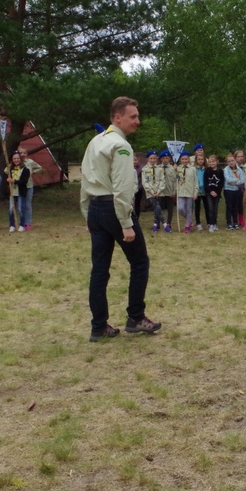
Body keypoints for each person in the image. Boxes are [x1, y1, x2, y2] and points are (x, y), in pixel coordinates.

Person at [80, 96, 161, 342]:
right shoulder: (121, 146)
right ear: (118, 117)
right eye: (133, 116)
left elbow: (85, 180)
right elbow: (124, 188)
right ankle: (135, 317)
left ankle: (98, 326)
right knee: (139, 263)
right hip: (114, 209)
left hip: (96, 208)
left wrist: (87, 214)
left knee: (99, 271)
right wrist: (126, 223)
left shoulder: (96, 142)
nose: (138, 121)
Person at [17, 147, 44, 230]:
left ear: (27, 154)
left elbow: (39, 168)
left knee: (28, 205)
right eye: (20, 153)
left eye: (24, 153)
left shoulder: (30, 162)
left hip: (29, 186)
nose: (22, 154)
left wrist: (33, 172)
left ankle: (28, 223)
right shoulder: (16, 162)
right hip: (19, 186)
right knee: (20, 206)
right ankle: (22, 221)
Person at [6, 151, 30, 232]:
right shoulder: (10, 170)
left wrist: (14, 181)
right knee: (11, 209)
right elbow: (6, 175)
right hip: (12, 192)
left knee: (20, 208)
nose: (16, 160)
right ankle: (12, 225)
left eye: (17, 158)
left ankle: (22, 225)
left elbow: (24, 181)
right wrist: (8, 180)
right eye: (14, 158)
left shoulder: (25, 170)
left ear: (20, 159)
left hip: (20, 192)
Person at [142, 150, 165, 232]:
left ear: (156, 159)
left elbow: (162, 180)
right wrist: (151, 191)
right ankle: (165, 224)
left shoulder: (160, 169)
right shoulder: (145, 169)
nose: (152, 160)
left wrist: (159, 191)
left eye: (154, 158)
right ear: (148, 159)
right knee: (157, 207)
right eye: (151, 158)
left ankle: (155, 224)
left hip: (159, 191)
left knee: (157, 209)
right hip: (150, 192)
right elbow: (145, 182)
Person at [176, 151, 198, 232]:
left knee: (189, 209)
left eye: (186, 159)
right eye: (183, 159)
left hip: (190, 192)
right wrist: (174, 170)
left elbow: (196, 182)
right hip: (181, 192)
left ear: (188, 159)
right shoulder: (178, 168)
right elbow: (174, 179)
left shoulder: (193, 169)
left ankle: (187, 226)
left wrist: (195, 192)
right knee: (180, 208)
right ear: (180, 160)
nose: (184, 160)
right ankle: (189, 220)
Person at [223, 153, 245, 230]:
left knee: (235, 207)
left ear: (235, 160)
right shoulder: (226, 170)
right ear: (227, 162)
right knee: (229, 207)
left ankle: (235, 222)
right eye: (229, 161)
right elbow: (228, 179)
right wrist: (237, 181)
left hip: (237, 190)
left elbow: (242, 180)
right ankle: (229, 223)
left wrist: (235, 183)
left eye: (232, 160)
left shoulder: (239, 169)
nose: (231, 162)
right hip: (228, 190)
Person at [204, 154, 224, 232]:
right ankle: (211, 224)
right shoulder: (207, 171)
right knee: (210, 208)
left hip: (217, 193)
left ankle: (215, 223)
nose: (212, 163)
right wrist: (210, 191)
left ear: (217, 161)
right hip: (209, 193)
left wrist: (217, 192)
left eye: (213, 161)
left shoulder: (220, 171)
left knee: (215, 209)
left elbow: (221, 183)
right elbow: (205, 182)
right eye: (210, 162)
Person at [159, 150, 177, 233]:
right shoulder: (158, 168)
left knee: (170, 208)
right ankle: (158, 222)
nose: (165, 160)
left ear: (169, 159)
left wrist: (174, 191)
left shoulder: (173, 169)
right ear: (161, 159)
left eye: (167, 158)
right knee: (159, 208)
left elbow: (175, 181)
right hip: (160, 191)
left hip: (170, 191)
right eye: (163, 158)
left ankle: (169, 223)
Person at [193, 152, 207, 231]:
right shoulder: (194, 169)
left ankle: (209, 222)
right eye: (199, 159)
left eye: (202, 159)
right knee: (197, 207)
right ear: (196, 160)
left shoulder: (206, 169)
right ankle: (198, 223)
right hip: (197, 191)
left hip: (205, 191)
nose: (200, 161)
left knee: (207, 207)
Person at [233, 149, 246, 227]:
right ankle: (234, 219)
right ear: (235, 158)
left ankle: (241, 220)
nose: (240, 158)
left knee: (240, 204)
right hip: (234, 187)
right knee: (234, 204)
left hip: (242, 188)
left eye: (242, 156)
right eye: (238, 156)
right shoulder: (233, 167)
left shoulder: (245, 166)